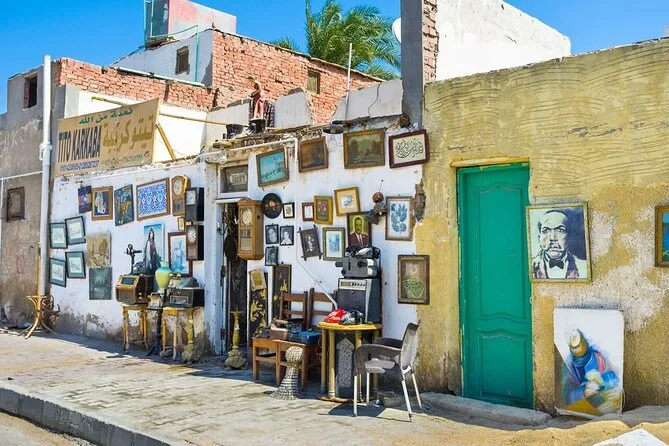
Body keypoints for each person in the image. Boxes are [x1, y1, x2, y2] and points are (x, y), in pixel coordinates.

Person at [531, 210, 587, 279]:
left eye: (560, 230)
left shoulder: (584, 267)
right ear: (539, 238)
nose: (552, 238)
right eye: (546, 230)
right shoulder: (530, 266)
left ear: (569, 236)